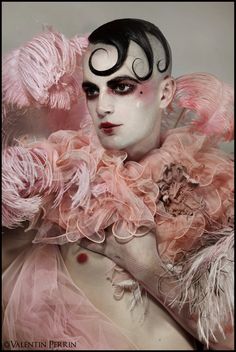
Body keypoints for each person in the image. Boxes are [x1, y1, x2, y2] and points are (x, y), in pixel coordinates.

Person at [2, 18, 234, 350]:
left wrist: (147, 267)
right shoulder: (65, 176)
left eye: (122, 86)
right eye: (92, 90)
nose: (103, 107)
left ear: (165, 93)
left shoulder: (214, 186)